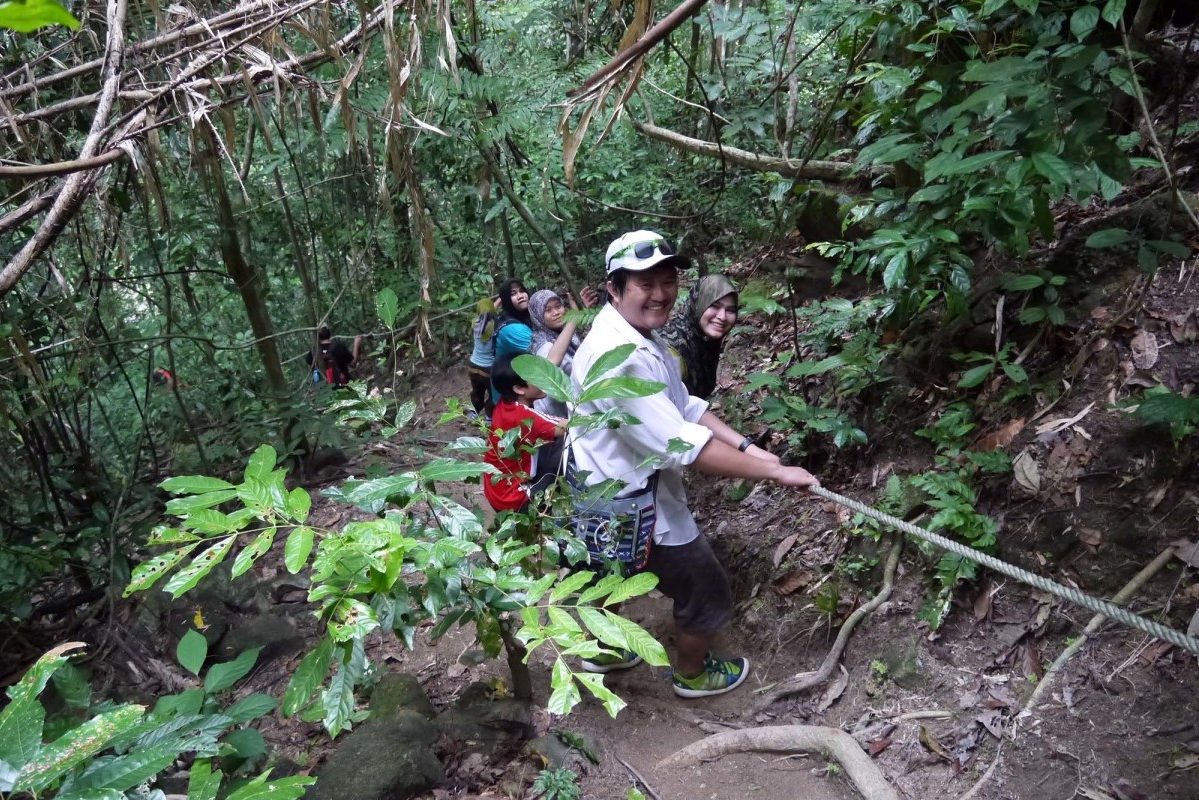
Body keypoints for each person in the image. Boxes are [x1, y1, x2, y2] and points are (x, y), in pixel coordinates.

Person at [568, 229, 820, 698]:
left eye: (667, 281)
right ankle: (692, 674)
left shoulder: (639, 336)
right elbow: (687, 446)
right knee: (705, 590)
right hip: (632, 501)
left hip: (603, 487)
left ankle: (601, 649)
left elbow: (686, 404)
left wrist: (750, 448)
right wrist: (777, 472)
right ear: (614, 287)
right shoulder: (619, 357)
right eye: (645, 284)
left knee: (607, 573)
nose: (660, 293)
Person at [483, 356, 568, 513]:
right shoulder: (523, 416)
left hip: (496, 493)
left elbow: (551, 360)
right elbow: (569, 426)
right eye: (535, 376)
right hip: (515, 498)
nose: (542, 378)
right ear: (519, 389)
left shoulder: (504, 404)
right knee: (566, 447)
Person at [660, 274, 739, 399]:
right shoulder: (670, 349)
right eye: (714, 306)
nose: (722, 316)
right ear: (697, 305)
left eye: (730, 310)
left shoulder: (706, 341)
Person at [527, 286, 598, 418]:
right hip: (557, 414)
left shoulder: (565, 332)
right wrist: (575, 317)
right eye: (548, 310)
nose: (556, 312)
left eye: (558, 306)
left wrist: (584, 314)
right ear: (537, 316)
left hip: (576, 402)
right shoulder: (543, 346)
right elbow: (552, 364)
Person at [491, 278, 533, 403]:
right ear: (506, 300)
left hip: (521, 386)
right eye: (513, 294)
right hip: (513, 398)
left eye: (522, 291)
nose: (520, 296)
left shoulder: (522, 317)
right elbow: (544, 356)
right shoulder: (513, 329)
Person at [466, 297, 499, 420]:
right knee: (493, 394)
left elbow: (486, 313)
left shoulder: (475, 322)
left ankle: (473, 413)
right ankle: (489, 416)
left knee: (477, 391)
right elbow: (491, 313)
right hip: (488, 368)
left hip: (473, 365)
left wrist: (498, 301)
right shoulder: (495, 325)